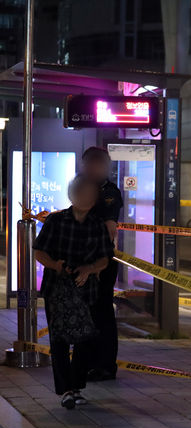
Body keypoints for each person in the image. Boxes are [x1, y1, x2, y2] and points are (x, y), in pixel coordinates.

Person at [33, 175, 114, 409]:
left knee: (86, 339)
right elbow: (39, 251)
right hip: (56, 290)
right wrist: (56, 265)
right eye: (82, 192)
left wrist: (89, 269)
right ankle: (66, 389)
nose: (87, 197)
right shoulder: (56, 221)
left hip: (86, 291)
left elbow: (104, 259)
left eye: (91, 193)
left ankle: (76, 386)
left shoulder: (97, 225)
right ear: (72, 194)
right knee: (59, 340)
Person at [80, 147, 124, 382]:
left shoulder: (109, 192)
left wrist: (97, 264)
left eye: (95, 165)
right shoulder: (82, 185)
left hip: (100, 262)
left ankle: (105, 365)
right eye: (87, 165)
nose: (89, 169)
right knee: (86, 312)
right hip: (82, 261)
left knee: (101, 313)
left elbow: (110, 227)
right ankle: (87, 361)